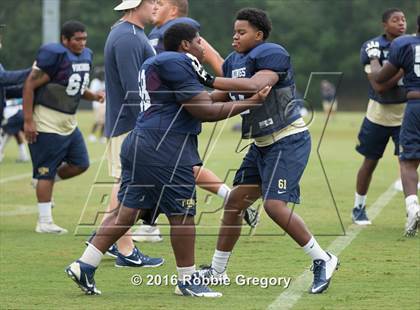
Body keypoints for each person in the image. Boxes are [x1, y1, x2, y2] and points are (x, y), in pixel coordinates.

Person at [65, 22, 271, 297]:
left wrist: (238, 94)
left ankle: (85, 264)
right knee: (182, 215)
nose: (203, 46)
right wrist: (251, 102)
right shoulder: (179, 60)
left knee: (127, 212)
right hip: (166, 147)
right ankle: (187, 280)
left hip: (143, 141)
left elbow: (198, 99)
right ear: (185, 44)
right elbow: (204, 110)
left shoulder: (163, 62)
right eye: (198, 41)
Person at [192, 8, 339, 294]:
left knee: (274, 206)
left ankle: (323, 258)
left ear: (259, 35)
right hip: (261, 144)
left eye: (242, 32)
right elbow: (217, 101)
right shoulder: (234, 62)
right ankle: (218, 270)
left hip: (287, 139)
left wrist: (208, 78)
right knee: (234, 203)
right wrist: (183, 103)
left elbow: (257, 86)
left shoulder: (272, 53)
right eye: (234, 31)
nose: (235, 36)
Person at [131, 0, 258, 242]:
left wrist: (239, 90)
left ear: (175, 10)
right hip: (160, 116)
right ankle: (129, 233)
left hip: (168, 120)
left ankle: (111, 242)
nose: (155, 6)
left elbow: (214, 60)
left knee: (164, 175)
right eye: (153, 3)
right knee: (163, 175)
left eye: (161, 3)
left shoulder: (184, 30)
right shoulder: (157, 35)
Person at [23, 20, 104, 234]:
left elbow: (75, 85)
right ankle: (44, 221)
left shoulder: (86, 55)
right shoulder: (55, 55)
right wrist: (28, 120)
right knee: (45, 172)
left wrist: (93, 95)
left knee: (81, 163)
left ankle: (44, 181)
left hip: (69, 120)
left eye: (84, 38)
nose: (82, 43)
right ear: (64, 39)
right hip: (46, 120)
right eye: (77, 39)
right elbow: (29, 85)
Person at [98, 0, 164, 266]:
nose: (157, 6)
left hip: (130, 122)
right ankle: (125, 250)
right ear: (138, 4)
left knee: (125, 182)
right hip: (129, 123)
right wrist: (147, 124)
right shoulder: (126, 36)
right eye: (153, 2)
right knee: (125, 183)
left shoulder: (133, 33)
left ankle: (100, 239)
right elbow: (133, 89)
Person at [352, 8, 407, 225]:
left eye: (403, 19)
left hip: (406, 114)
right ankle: (358, 206)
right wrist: (402, 70)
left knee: (409, 162)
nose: (401, 23)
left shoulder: (412, 44)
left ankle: (412, 210)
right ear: (385, 24)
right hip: (378, 115)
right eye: (395, 20)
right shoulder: (372, 47)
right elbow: (378, 86)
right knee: (370, 162)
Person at [367, 15, 420, 236]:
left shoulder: (404, 44)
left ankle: (412, 207)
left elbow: (379, 78)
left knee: (408, 162)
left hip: (416, 104)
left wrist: (373, 57)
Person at [0, 98, 30, 163]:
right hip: (20, 112)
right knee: (17, 134)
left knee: (5, 135)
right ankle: (24, 156)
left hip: (14, 115)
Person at [88, 67, 106, 144]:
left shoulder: (104, 82)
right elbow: (93, 93)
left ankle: (101, 136)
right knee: (99, 121)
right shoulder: (95, 82)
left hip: (104, 103)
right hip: (97, 104)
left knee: (103, 121)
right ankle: (92, 135)